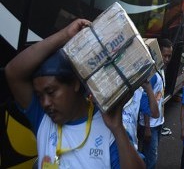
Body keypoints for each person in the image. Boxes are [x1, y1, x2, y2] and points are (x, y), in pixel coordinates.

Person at [4, 19, 145, 168]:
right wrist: (65, 35)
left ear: (75, 83)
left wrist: (117, 128)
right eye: (39, 96)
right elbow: (13, 72)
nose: (45, 102)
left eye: (51, 92)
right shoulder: (42, 119)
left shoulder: (109, 130)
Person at [139, 38, 173, 169]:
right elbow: (146, 99)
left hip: (158, 123)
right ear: (158, 54)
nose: (167, 59)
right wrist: (147, 127)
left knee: (149, 156)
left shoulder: (161, 70)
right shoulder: (153, 74)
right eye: (165, 56)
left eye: (170, 56)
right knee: (150, 160)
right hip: (150, 126)